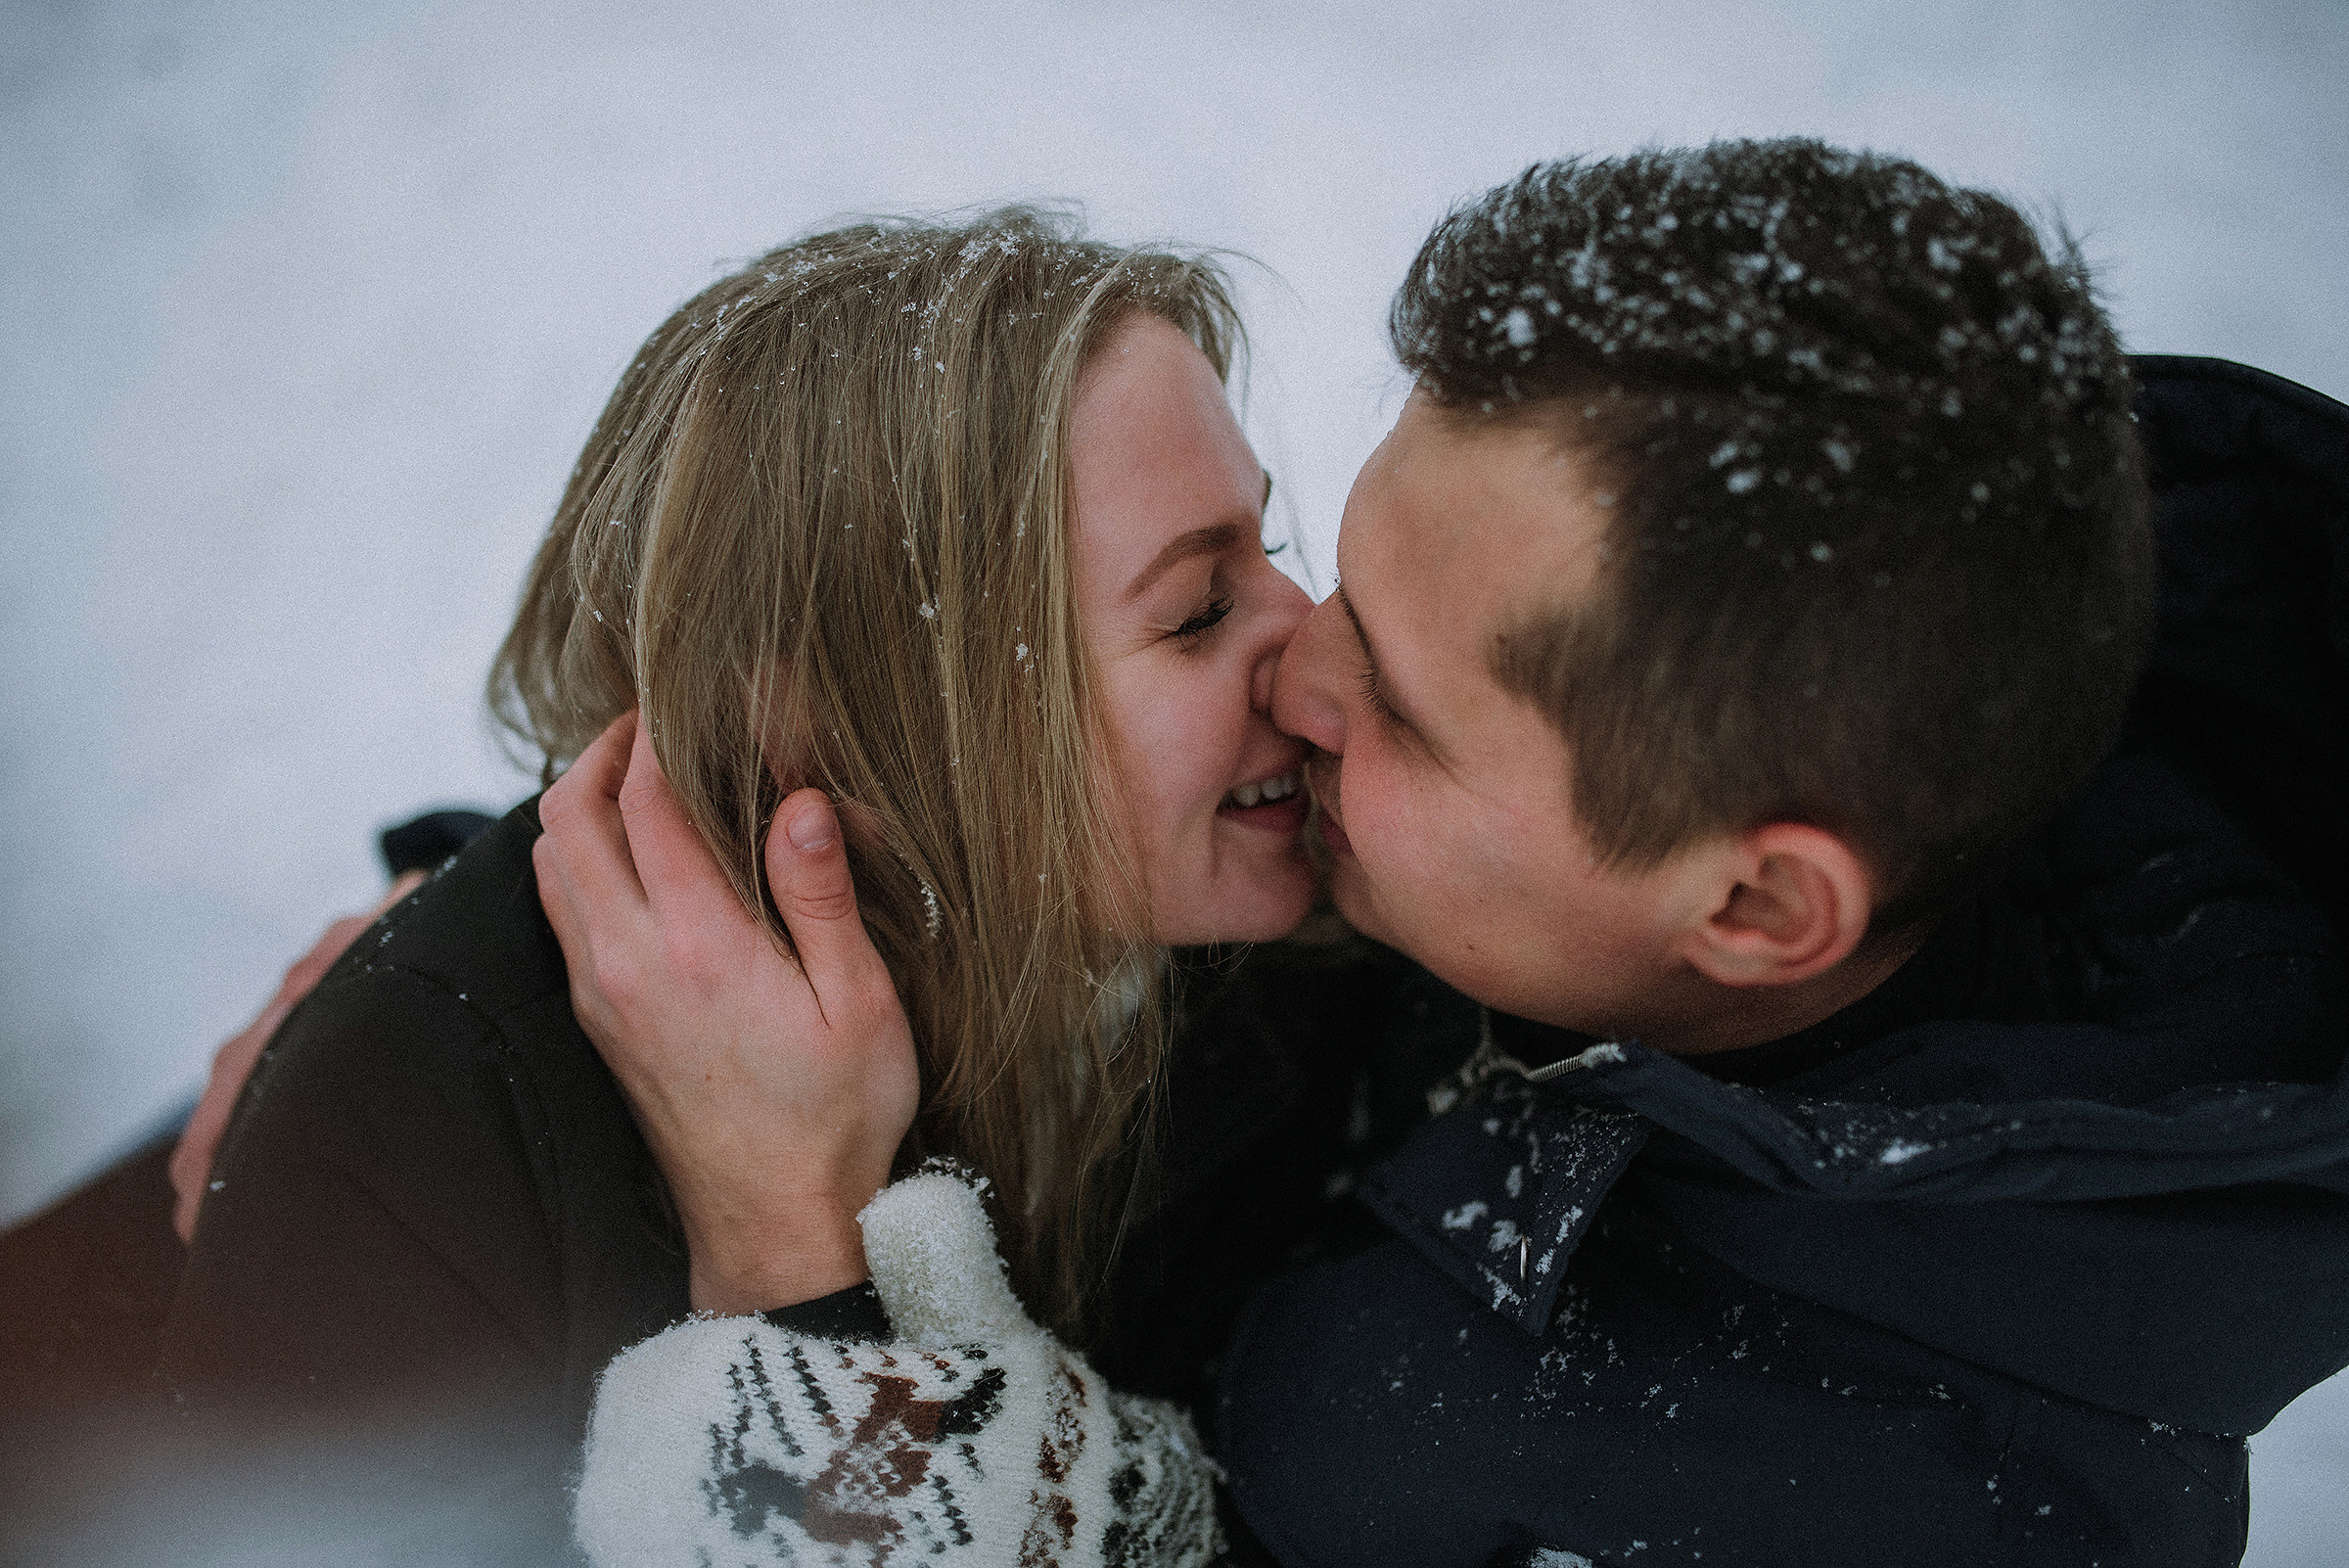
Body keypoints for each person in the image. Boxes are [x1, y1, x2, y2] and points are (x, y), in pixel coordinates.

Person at [533, 142, 2349, 1567]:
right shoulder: (1644, 876)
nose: (1300, 662)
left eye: (1398, 698)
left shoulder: (1893, 1509)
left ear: (1754, 903)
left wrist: (793, 1265)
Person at [153, 207, 1340, 1565]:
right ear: (866, 733)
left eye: (1271, 546)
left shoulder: (1312, 964)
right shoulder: (429, 1147)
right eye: (1197, 608)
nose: (1312, 648)